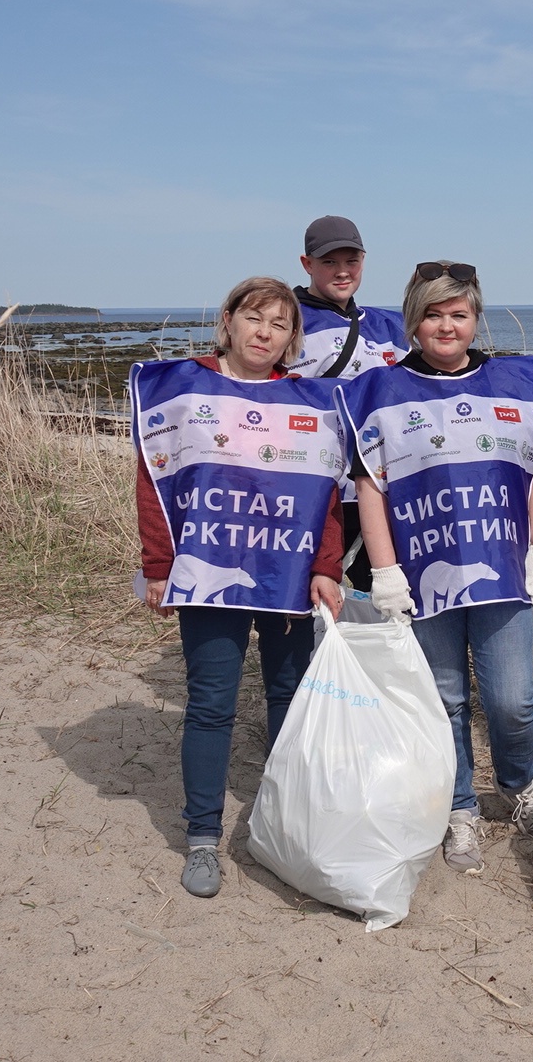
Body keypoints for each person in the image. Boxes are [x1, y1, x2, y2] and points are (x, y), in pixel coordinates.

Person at [339, 259, 533, 876]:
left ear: (474, 319)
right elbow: (371, 486)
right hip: (420, 577)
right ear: (413, 320)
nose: (446, 325)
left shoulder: (512, 383)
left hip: (501, 570)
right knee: (444, 699)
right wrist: (384, 571)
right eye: (433, 313)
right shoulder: (379, 392)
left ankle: (519, 786)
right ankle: (459, 808)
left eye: (458, 314)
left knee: (513, 700)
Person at [133, 276, 346, 899]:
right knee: (211, 703)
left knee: (289, 695)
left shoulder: (313, 400)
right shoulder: (182, 389)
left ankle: (280, 822)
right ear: (228, 321)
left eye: (280, 325)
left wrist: (326, 566)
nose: (265, 333)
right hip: (206, 570)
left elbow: (326, 495)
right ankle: (202, 838)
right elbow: (155, 481)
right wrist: (156, 564)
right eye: (255, 318)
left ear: (291, 339)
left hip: (288, 571)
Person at [291, 215, 409, 591]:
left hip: (380, 488)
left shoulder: (391, 325)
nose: (342, 272)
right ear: (307, 264)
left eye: (351, 261)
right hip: (319, 490)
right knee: (316, 592)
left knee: (379, 592)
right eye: (329, 262)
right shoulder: (288, 321)